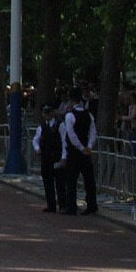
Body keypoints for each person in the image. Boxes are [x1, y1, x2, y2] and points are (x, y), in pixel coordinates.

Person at [63, 87, 98, 216]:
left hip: (74, 152)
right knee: (89, 179)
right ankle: (92, 205)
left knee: (71, 180)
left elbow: (71, 135)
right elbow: (93, 132)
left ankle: (71, 206)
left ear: (71, 100)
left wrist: (81, 147)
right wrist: (89, 146)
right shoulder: (88, 114)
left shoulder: (70, 115)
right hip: (86, 151)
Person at [33, 104, 67, 213]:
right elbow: (35, 139)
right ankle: (51, 205)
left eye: (48, 112)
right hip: (46, 158)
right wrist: (37, 148)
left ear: (52, 113)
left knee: (60, 183)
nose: (47, 115)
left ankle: (62, 205)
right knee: (48, 183)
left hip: (56, 157)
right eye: (45, 113)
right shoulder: (41, 127)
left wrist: (63, 157)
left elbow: (64, 142)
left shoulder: (60, 125)